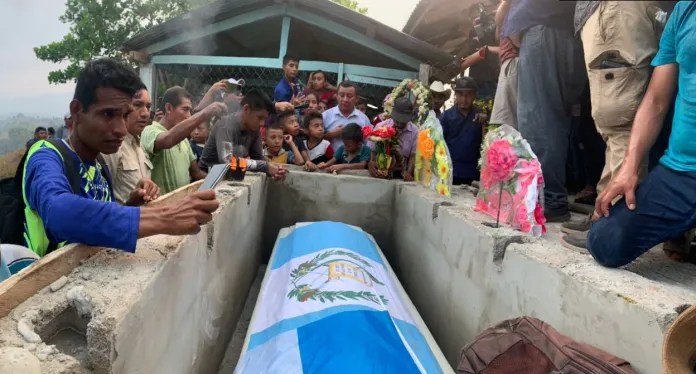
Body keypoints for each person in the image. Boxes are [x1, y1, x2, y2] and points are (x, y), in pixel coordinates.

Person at [21, 58, 219, 257]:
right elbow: (58, 213)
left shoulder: (98, 164)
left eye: (124, 116)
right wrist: (165, 216)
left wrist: (132, 203)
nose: (121, 129)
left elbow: (97, 226)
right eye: (108, 114)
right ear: (76, 111)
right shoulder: (45, 154)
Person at [574, 1, 696, 268]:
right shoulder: (684, 11)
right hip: (682, 171)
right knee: (605, 242)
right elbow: (655, 100)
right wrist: (628, 168)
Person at [561, 1, 664, 238]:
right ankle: (608, 213)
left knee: (621, 118)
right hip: (611, 11)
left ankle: (613, 224)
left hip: (619, 9)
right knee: (614, 122)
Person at [504, 0, 585, 222]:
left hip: (542, 26)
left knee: (538, 117)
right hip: (571, 30)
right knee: (559, 118)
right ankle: (553, 195)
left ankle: (547, 198)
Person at [141, 86, 226, 195]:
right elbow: (167, 140)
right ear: (169, 108)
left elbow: (196, 173)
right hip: (161, 207)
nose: (189, 116)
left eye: (190, 111)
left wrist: (221, 179)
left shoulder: (183, 140)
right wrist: (205, 114)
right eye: (185, 110)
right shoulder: (150, 131)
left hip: (182, 207)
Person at [199, 90, 288, 181]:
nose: (262, 123)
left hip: (230, 178)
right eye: (260, 117)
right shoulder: (225, 125)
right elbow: (228, 162)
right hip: (206, 178)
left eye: (264, 119)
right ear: (246, 109)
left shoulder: (254, 128)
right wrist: (265, 166)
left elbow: (258, 159)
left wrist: (273, 172)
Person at [102, 88, 159, 205]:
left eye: (148, 107)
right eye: (137, 105)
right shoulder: (113, 147)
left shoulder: (139, 145)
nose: (145, 113)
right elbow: (104, 205)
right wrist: (131, 204)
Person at [441, 77, 487, 186]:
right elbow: (440, 145)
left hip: (473, 173)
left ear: (474, 96)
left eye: (468, 95)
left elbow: (486, 144)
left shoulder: (480, 116)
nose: (464, 99)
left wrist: (485, 123)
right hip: (451, 171)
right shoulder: (446, 116)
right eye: (460, 95)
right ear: (455, 95)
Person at [368, 97, 418, 181]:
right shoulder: (380, 126)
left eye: (402, 121)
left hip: (400, 175)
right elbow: (372, 150)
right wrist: (371, 163)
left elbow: (413, 155)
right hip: (379, 173)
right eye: (397, 120)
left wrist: (409, 172)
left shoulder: (415, 131)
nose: (399, 124)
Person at [489, 0, 519, 128]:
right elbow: (513, 42)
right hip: (512, 63)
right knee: (511, 119)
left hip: (510, 65)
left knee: (506, 119)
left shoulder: (505, 14)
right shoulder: (510, 13)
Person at [322, 81, 371, 151]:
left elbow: (368, 144)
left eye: (349, 96)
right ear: (336, 96)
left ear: (356, 99)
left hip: (356, 161)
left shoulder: (364, 119)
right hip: (328, 160)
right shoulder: (325, 116)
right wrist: (330, 135)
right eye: (342, 95)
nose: (345, 100)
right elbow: (315, 141)